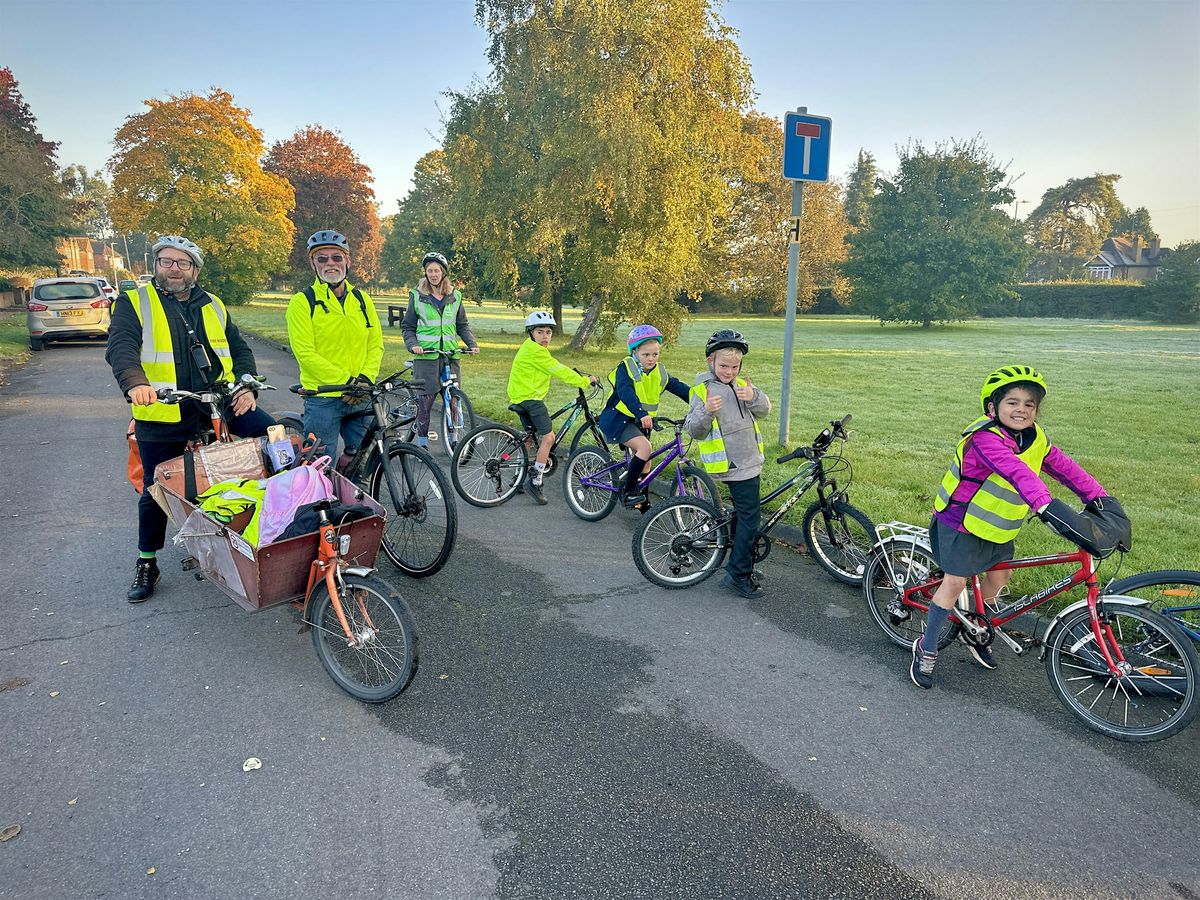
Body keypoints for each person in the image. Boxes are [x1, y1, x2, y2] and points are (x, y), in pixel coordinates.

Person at [910, 365, 1109, 689]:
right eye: (1012, 402)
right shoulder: (985, 440)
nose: (1021, 409)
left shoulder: (1034, 437)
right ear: (993, 408)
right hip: (961, 524)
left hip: (997, 527)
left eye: (1029, 404)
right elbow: (1017, 473)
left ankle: (976, 626)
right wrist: (1046, 505)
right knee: (955, 583)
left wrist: (1100, 497)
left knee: (1000, 578)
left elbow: (1064, 468)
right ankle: (927, 647)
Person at [106, 235, 275, 603]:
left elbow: (240, 349)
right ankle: (147, 560)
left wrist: (247, 386)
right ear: (156, 265)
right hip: (163, 409)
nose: (174, 269)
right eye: (167, 262)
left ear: (195, 269)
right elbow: (120, 347)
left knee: (275, 443)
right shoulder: (134, 302)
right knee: (157, 487)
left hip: (219, 401)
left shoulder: (213, 304)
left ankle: (270, 530)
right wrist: (136, 384)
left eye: (183, 263)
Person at [684, 330, 771, 599]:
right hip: (733, 464)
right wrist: (707, 409)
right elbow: (693, 430)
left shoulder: (741, 384)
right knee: (750, 519)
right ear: (711, 361)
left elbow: (764, 410)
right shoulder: (704, 389)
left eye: (734, 367)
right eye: (723, 366)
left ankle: (740, 560)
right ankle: (737, 575)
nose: (729, 371)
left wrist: (753, 395)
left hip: (749, 460)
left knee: (743, 516)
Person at [285, 230, 383, 466]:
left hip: (360, 393)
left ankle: (355, 497)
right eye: (322, 258)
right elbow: (305, 353)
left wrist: (364, 379)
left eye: (337, 257)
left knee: (363, 461)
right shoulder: (302, 301)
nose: (330, 263)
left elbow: (375, 344)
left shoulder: (361, 299)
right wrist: (347, 381)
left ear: (347, 261)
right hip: (323, 397)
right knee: (320, 466)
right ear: (313, 264)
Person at [506, 311, 599, 505]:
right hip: (531, 399)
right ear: (531, 333)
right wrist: (584, 380)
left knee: (530, 438)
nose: (545, 336)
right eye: (540, 332)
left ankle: (518, 478)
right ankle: (536, 481)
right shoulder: (537, 352)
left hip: (520, 397)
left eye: (548, 332)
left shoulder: (529, 348)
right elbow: (559, 370)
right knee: (548, 437)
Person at [598, 325, 693, 507]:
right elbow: (626, 393)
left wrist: (700, 401)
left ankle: (642, 504)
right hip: (619, 418)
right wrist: (641, 413)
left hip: (641, 421)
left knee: (646, 464)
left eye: (655, 354)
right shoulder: (625, 368)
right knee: (644, 448)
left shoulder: (659, 372)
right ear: (634, 352)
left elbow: (679, 388)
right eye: (646, 355)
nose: (651, 359)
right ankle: (628, 492)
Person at [400, 251, 479, 447]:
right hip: (426, 357)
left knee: (454, 399)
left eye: (436, 270)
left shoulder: (455, 296)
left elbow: (462, 325)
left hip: (450, 356)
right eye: (429, 271)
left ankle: (454, 439)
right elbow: (408, 327)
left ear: (443, 272)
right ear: (425, 273)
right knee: (425, 400)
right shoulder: (417, 296)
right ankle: (422, 442)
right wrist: (414, 345)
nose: (433, 274)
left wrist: (472, 343)